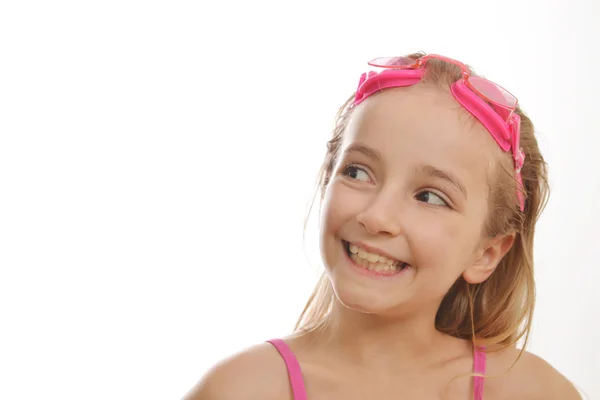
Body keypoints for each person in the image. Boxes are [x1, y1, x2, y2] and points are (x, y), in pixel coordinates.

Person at [186, 53, 582, 399]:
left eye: (429, 197)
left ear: (487, 253)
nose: (376, 217)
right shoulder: (239, 390)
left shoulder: (536, 392)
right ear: (327, 180)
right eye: (358, 172)